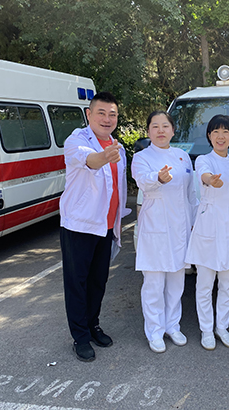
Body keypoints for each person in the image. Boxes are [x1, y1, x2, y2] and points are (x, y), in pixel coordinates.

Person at [59, 91, 131, 362]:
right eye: (101, 113)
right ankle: (80, 337)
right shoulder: (77, 140)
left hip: (105, 226)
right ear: (89, 114)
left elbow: (118, 188)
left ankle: (93, 325)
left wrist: (118, 222)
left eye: (112, 114)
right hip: (80, 226)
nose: (107, 119)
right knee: (77, 283)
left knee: (98, 281)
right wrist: (104, 156)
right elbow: (89, 160)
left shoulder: (118, 147)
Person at [131, 111, 198, 353]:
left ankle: (172, 325)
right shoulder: (141, 157)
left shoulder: (182, 156)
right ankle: (155, 331)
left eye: (165, 126)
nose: (160, 130)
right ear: (148, 131)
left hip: (180, 228)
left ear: (173, 130)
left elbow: (191, 194)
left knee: (176, 282)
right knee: (154, 284)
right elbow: (142, 181)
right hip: (155, 228)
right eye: (155, 126)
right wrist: (158, 178)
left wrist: (194, 222)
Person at [185, 115, 229, 350]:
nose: (220, 136)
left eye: (225, 132)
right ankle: (206, 329)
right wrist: (211, 180)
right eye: (215, 132)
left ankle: (222, 327)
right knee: (204, 283)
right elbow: (204, 175)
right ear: (209, 136)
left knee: (228, 283)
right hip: (209, 224)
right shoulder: (204, 160)